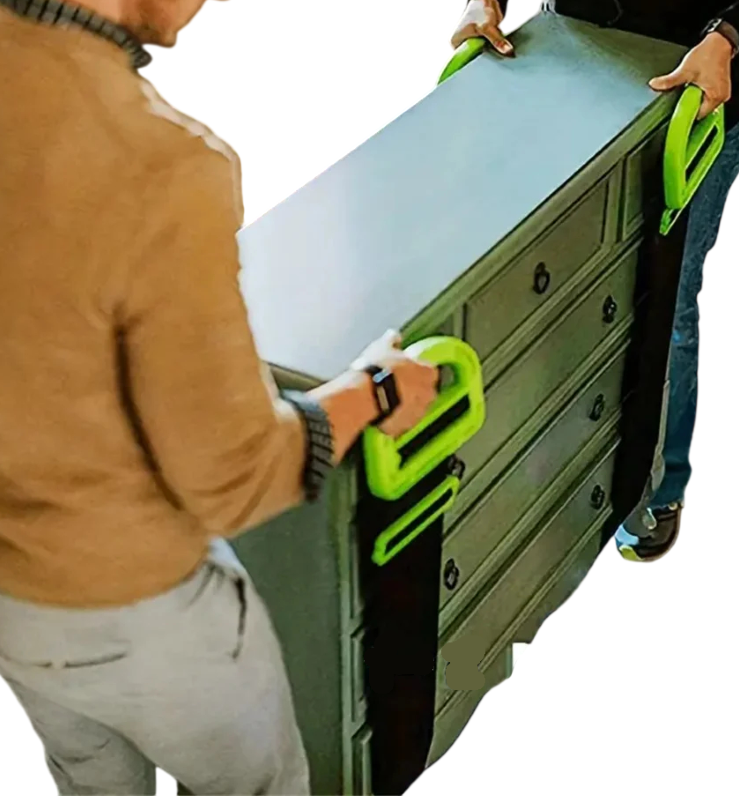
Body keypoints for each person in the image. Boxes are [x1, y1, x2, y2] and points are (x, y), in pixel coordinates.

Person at [0, 1, 440, 794]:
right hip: (146, 616)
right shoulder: (158, 163)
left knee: (89, 777)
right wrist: (374, 390)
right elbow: (232, 475)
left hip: (17, 614)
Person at [452, 0, 739, 561]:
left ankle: (659, 486)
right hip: (577, 64)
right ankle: (573, 464)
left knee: (670, 292)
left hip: (697, 88)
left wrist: (728, 35)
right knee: (570, 272)